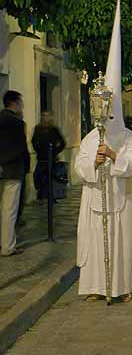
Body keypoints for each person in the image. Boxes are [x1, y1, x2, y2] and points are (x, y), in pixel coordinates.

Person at [76, 0, 132, 302]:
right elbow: (80, 164)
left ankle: (119, 288)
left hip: (121, 200)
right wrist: (94, 162)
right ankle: (94, 287)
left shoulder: (131, 138)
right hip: (95, 198)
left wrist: (114, 157)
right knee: (95, 240)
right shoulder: (91, 136)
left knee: (121, 244)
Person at [0, 90, 30, 256]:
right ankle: (8, 246)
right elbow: (21, 149)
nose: (22, 106)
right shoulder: (17, 123)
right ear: (14, 103)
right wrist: (26, 168)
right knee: (9, 210)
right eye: (21, 102)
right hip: (12, 171)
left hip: (3, 170)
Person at [31, 111, 66, 202]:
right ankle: (41, 196)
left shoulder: (54, 129)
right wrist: (38, 150)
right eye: (44, 116)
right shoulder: (38, 128)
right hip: (42, 157)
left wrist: (55, 152)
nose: (46, 118)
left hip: (52, 158)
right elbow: (34, 141)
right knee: (39, 176)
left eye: (48, 116)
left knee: (51, 177)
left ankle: (51, 196)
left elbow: (62, 142)